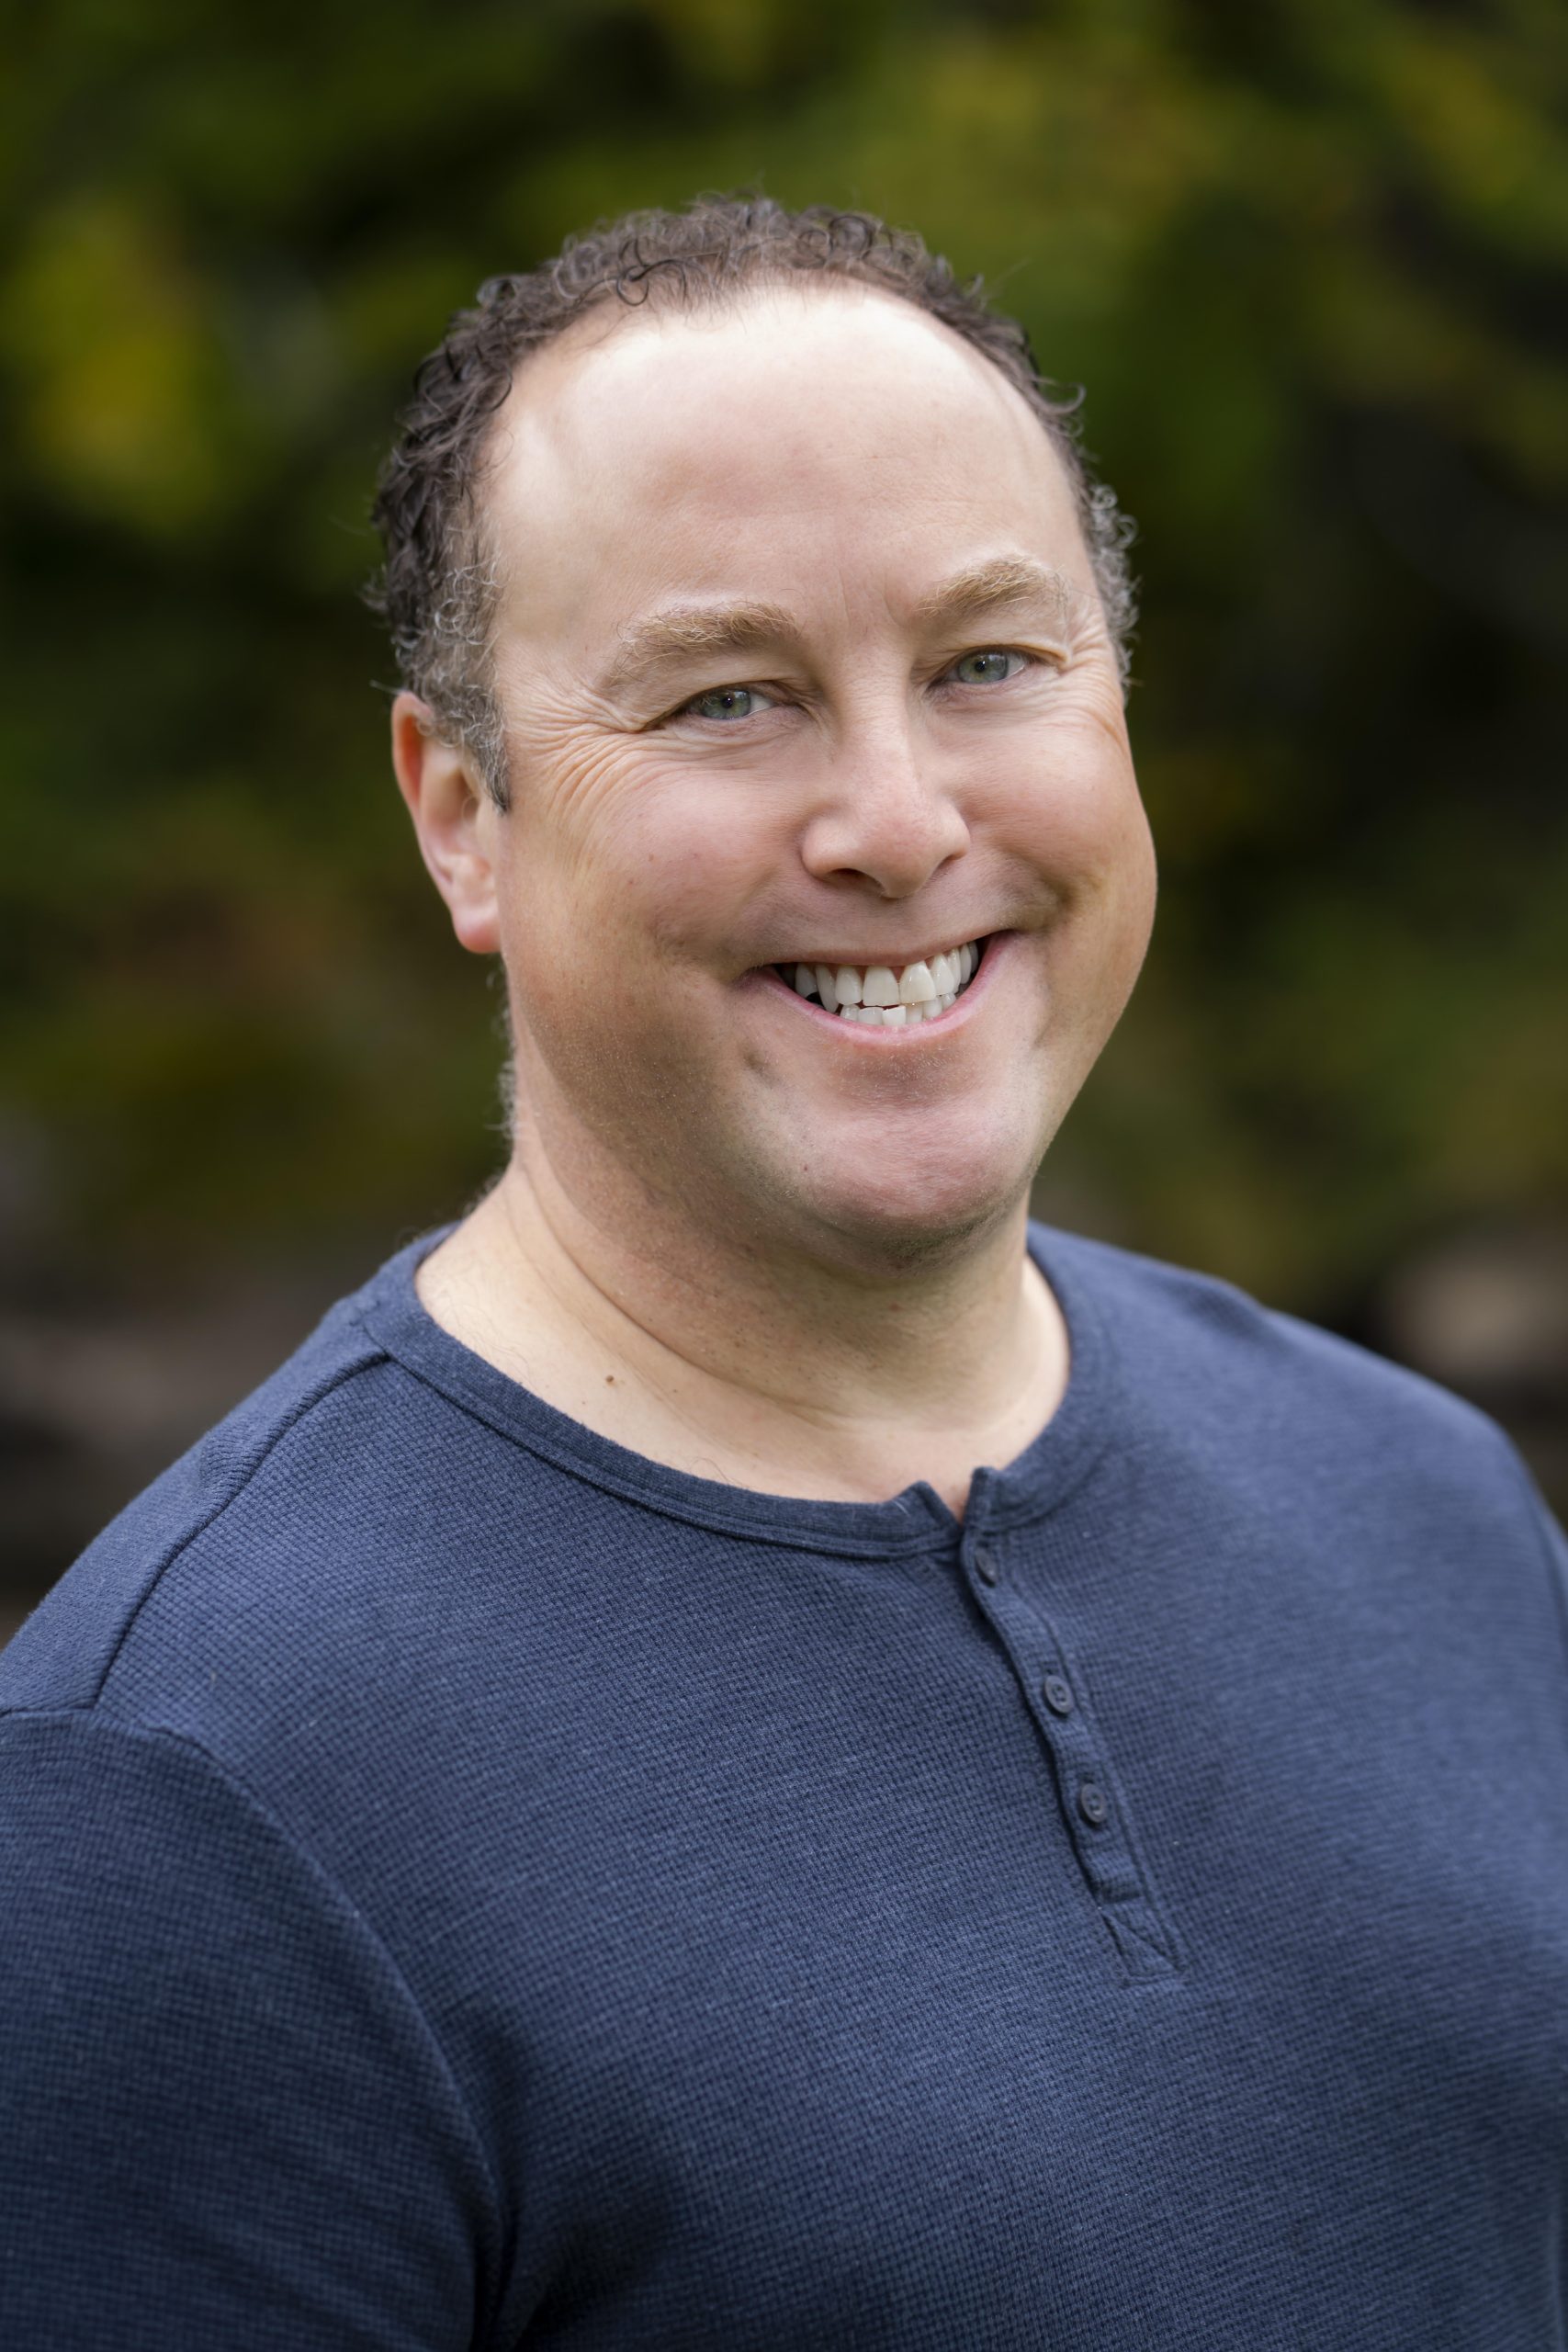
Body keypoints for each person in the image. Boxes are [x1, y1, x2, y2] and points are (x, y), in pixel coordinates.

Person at [1, 197, 1563, 2350]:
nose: (895, 821)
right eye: (729, 698)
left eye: (988, 663)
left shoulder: (1427, 1505)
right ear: (461, 814)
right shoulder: (176, 1790)